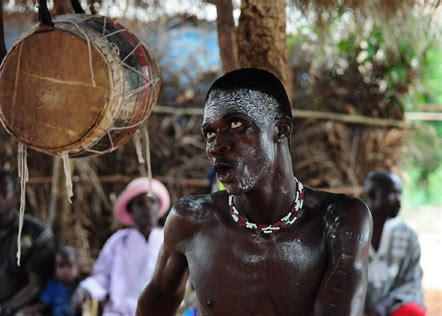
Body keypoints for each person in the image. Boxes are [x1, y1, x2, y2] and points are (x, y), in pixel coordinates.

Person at [137, 68, 373, 316]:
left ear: (281, 129)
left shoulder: (339, 220)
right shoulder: (191, 221)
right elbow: (156, 302)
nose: (217, 146)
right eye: (209, 133)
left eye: (236, 124)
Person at [72, 177, 170, 315]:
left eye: (152, 201)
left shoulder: (169, 240)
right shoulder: (118, 241)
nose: (147, 207)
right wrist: (87, 289)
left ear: (158, 207)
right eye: (140, 203)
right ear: (131, 210)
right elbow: (101, 277)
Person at [0, 167, 56, 315]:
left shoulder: (38, 234)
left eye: (3, 191)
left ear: (16, 196)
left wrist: (0, 310)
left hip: (18, 308)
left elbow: (35, 286)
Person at [364, 171, 425, 316]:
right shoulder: (350, 231)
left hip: (391, 308)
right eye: (392, 194)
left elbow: (412, 281)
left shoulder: (407, 235)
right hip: (354, 307)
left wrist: (384, 305)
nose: (399, 201)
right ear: (372, 195)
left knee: (412, 312)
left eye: (400, 194)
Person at [36, 246, 80, 316]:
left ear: (77, 267)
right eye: (61, 266)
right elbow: (43, 305)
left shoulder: (82, 287)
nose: (65, 270)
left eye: (69, 265)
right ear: (55, 268)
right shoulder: (52, 286)